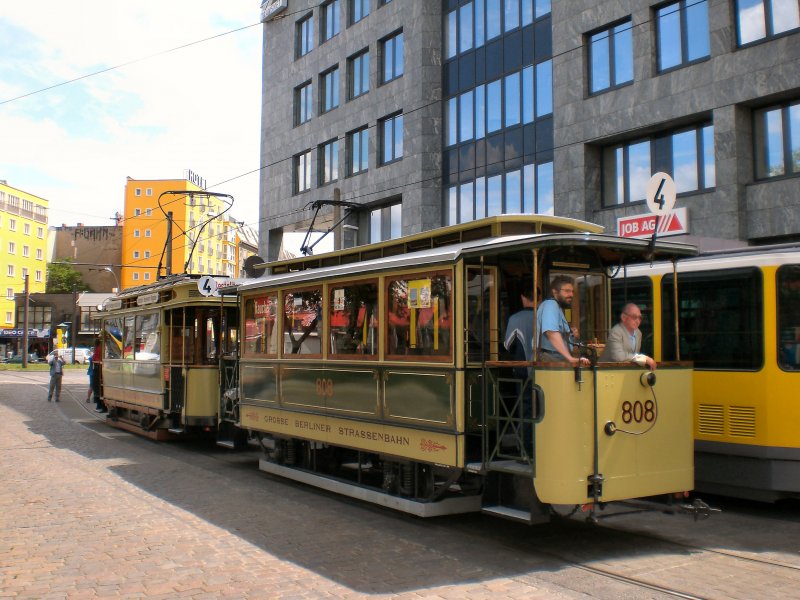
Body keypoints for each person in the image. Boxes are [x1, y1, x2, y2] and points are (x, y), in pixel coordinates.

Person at [537, 275, 590, 366]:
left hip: (555, 357)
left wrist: (571, 335)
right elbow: (551, 333)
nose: (571, 295)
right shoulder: (550, 305)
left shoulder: (557, 307)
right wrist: (570, 358)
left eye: (572, 291)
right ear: (555, 292)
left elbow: (558, 335)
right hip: (550, 358)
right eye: (567, 291)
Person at [600, 303, 656, 371]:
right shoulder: (616, 331)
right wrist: (644, 358)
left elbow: (633, 357)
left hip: (626, 372)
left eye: (640, 318)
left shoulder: (638, 333)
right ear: (623, 317)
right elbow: (618, 357)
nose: (638, 321)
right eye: (634, 317)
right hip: (607, 372)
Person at [91, 338, 105, 413]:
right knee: (97, 387)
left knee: (97, 387)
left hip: (98, 369)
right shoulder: (99, 348)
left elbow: (95, 358)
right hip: (97, 368)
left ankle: (99, 406)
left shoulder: (99, 348)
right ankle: (98, 406)